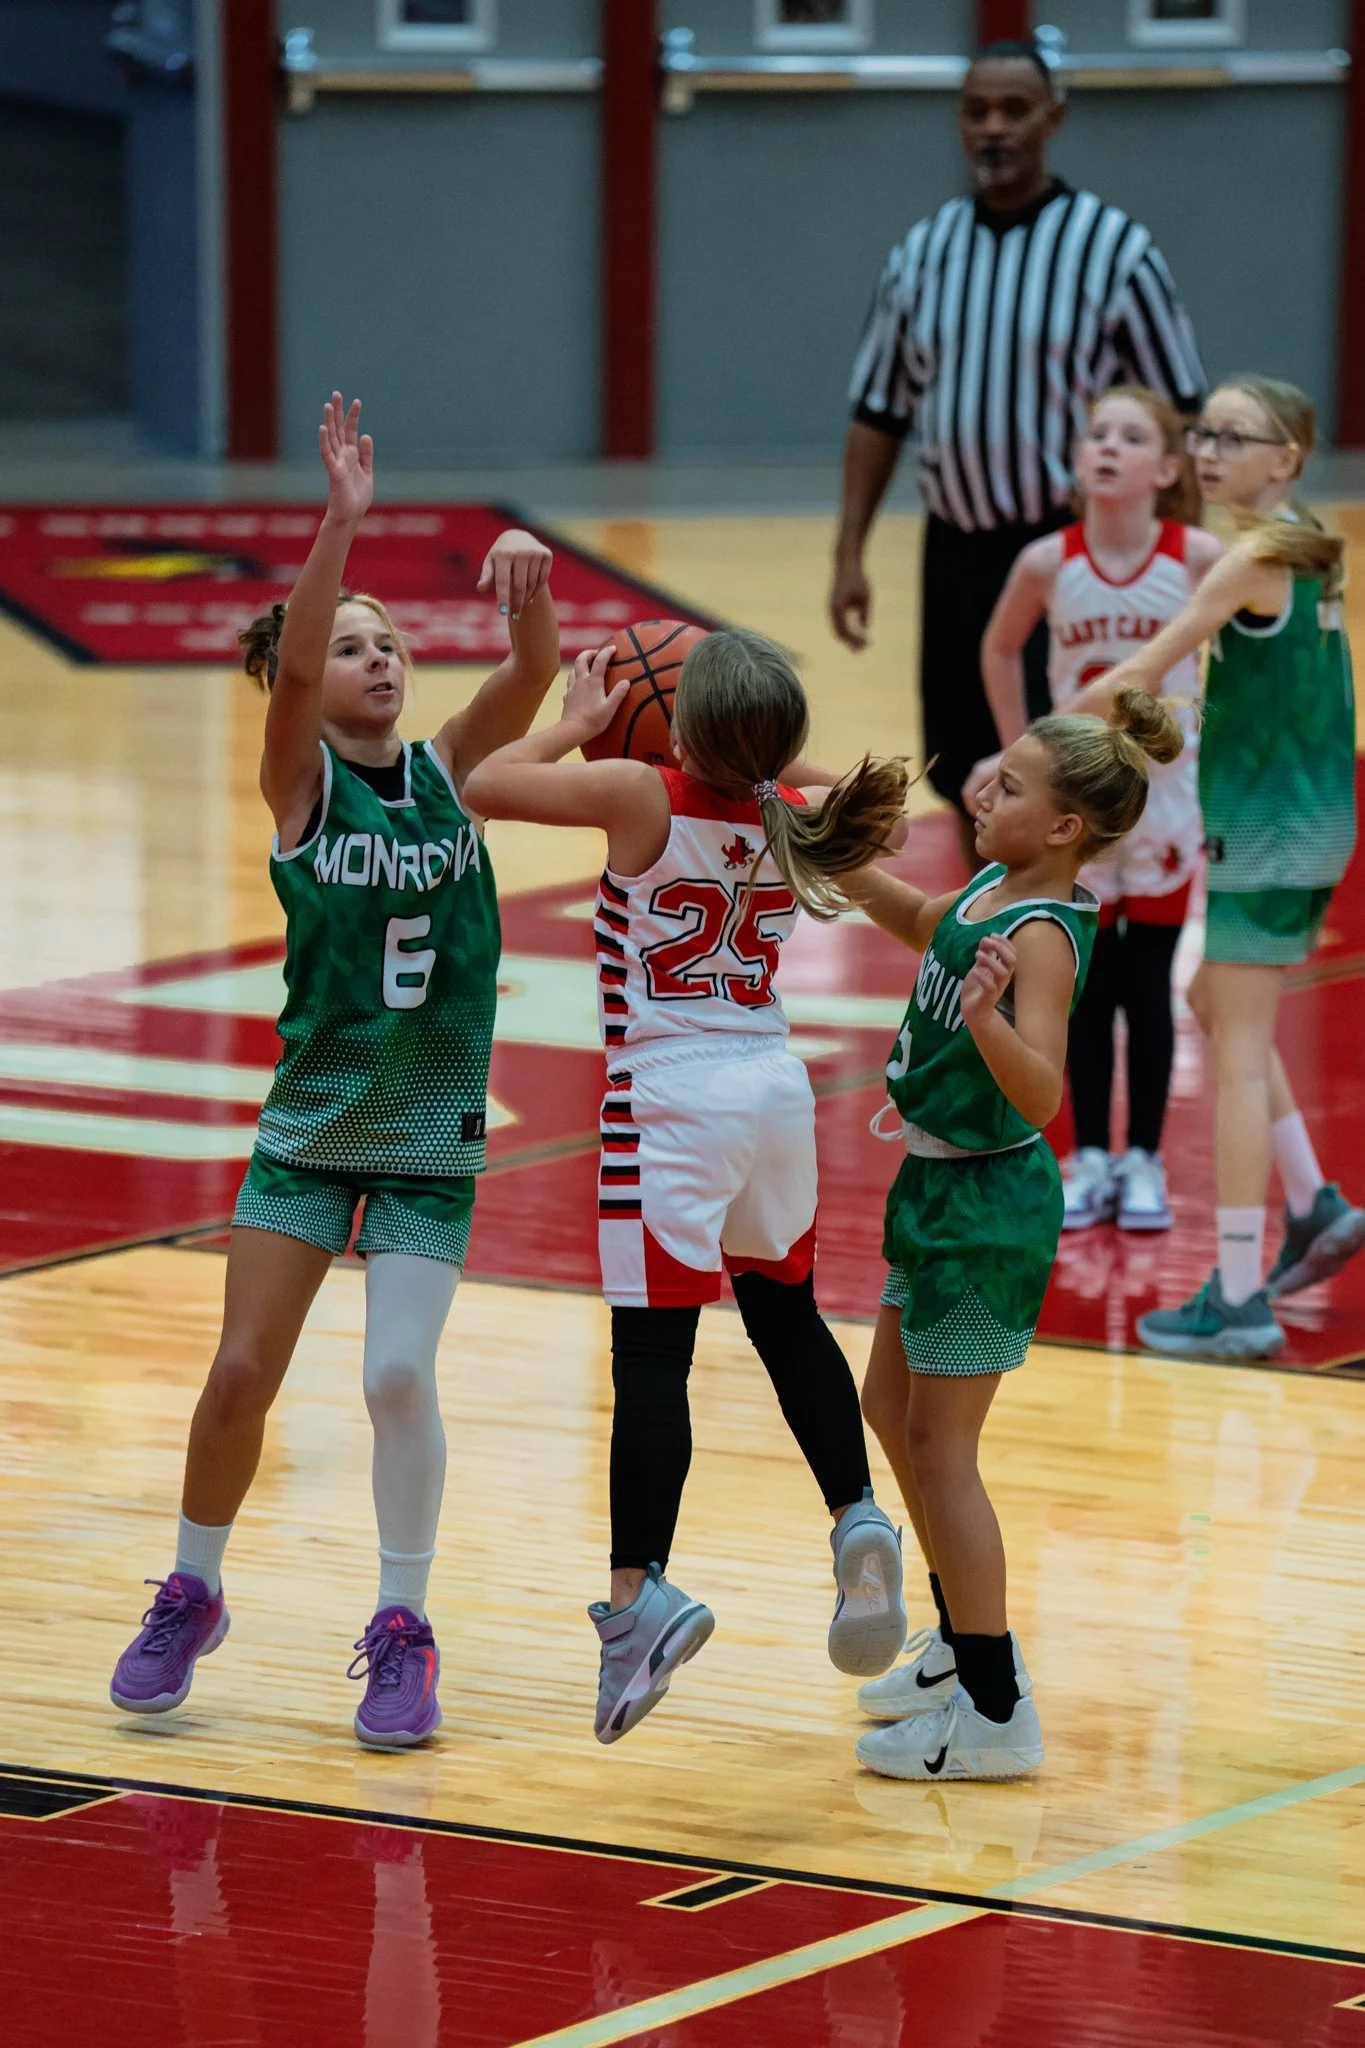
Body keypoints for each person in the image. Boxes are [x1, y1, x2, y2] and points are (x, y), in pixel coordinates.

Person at [109, 393, 561, 1746]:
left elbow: (530, 675)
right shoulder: (301, 787)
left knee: (395, 1379)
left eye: (389, 644)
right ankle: (192, 1587)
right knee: (239, 1371)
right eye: (352, 645)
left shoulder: (449, 772)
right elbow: (296, 673)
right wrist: (339, 526)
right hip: (308, 1127)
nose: (375, 661)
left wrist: (528, 585)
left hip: (427, 1136)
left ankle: (404, 1626)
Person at [463, 629, 910, 1744]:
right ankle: (858, 1514)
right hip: (773, 1089)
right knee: (787, 1318)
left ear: (678, 730)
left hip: (669, 1096)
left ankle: (637, 1599)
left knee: (653, 1355)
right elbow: (884, 833)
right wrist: (778, 768)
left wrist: (575, 719)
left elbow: (482, 783)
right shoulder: (794, 812)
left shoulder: (638, 792)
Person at [848, 691, 1183, 1780]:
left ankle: (995, 1707)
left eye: (1012, 784)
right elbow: (922, 922)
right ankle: (959, 1640)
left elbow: (1040, 1093)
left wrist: (986, 1022)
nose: (985, 789)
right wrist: (830, 854)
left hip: (989, 1204)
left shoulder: (1042, 936)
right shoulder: (992, 886)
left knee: (944, 1451)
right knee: (888, 1408)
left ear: (1064, 827)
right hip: (936, 1187)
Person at [830, 36, 1204, 863]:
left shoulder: (1114, 250)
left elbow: (1177, 412)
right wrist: (849, 551)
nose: (993, 127)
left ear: (1052, 119)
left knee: (1071, 766)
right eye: (976, 111)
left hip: (1068, 553)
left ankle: (1075, 928)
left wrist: (1179, 559)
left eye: (1013, 110)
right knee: (965, 762)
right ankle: (991, 922)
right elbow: (878, 411)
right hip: (955, 552)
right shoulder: (921, 252)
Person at [1081, 377, 1365, 1361]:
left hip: (1271, 828)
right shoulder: (1310, 540)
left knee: (1238, 1051)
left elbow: (1138, 671)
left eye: (1233, 438)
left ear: (1285, 457)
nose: (1206, 451)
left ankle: (1239, 1296)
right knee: (1210, 996)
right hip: (1308, 819)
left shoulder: (1248, 560)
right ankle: (1315, 1202)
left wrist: (1027, 749)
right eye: (1203, 433)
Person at [971, 386, 1221, 1232]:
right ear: (1076, 459)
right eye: (1097, 434)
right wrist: (1017, 755)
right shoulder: (1046, 562)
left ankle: (1142, 1157)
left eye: (1130, 436)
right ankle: (1085, 1157)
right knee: (1079, 984)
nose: (1108, 446)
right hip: (1075, 808)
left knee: (1147, 985)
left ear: (1167, 469)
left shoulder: (1198, 558)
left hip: (1165, 802)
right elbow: (999, 646)